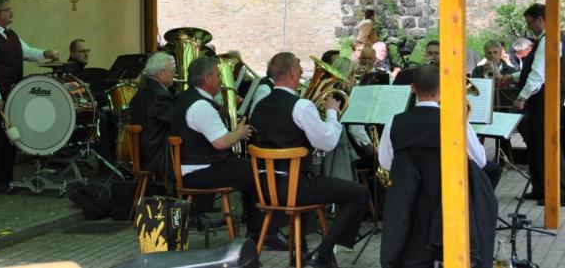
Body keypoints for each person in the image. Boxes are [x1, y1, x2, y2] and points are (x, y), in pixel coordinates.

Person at [250, 52, 370, 268]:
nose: (303, 73)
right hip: (295, 188)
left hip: (265, 189)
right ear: (293, 74)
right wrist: (331, 113)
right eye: (300, 69)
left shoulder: (259, 105)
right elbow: (328, 142)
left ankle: (302, 252)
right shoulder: (301, 106)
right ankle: (323, 254)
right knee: (360, 194)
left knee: (309, 183)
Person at [379, 64, 497, 267]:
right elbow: (480, 160)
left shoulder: (395, 122)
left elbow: (385, 162)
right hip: (449, 201)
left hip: (410, 202)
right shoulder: (455, 120)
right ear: (442, 89)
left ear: (412, 88)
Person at [171, 56, 287, 249]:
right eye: (218, 76)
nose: (220, 80)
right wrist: (240, 133)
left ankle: (257, 228)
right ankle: (265, 232)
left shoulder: (186, 97)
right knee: (262, 170)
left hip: (195, 167)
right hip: (201, 171)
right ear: (207, 78)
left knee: (251, 170)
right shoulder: (200, 106)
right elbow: (221, 142)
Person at [0, 0, 58, 194]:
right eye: (7, 10)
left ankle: (6, 178)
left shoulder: (10, 34)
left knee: (10, 138)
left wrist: (44, 53)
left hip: (11, 94)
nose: (12, 12)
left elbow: (25, 51)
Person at [498, 3, 565, 204]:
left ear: (540, 20)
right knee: (537, 145)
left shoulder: (549, 39)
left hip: (544, 100)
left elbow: (538, 75)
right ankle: (541, 188)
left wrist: (521, 97)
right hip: (541, 99)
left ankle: (558, 191)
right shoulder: (546, 38)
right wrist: (513, 77)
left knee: (547, 145)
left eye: (530, 23)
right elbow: (534, 69)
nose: (529, 27)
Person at [67, 38, 116, 166]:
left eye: (88, 51)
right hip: (74, 114)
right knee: (101, 117)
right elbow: (81, 99)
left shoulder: (80, 70)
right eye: (82, 51)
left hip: (82, 108)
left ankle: (111, 159)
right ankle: (105, 164)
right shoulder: (71, 72)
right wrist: (105, 94)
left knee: (111, 114)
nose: (86, 54)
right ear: (72, 53)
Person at [129, 52, 175, 179]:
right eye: (172, 71)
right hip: (157, 158)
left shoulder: (141, 92)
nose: (174, 75)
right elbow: (176, 123)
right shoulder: (160, 96)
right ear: (160, 74)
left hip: (143, 155)